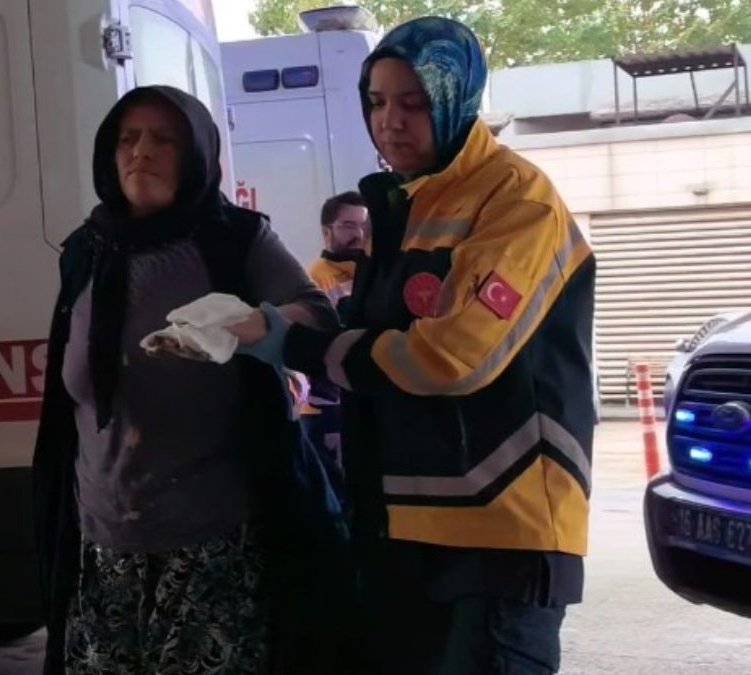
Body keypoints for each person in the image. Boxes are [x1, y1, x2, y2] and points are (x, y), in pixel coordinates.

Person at [229, 17, 596, 675]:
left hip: (500, 526)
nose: (389, 122)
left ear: (456, 97)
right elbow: (376, 339)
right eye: (376, 101)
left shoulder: (518, 199)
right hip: (403, 521)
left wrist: (297, 346)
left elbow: (451, 357)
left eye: (414, 102)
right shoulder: (404, 205)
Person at [31, 84, 348, 675]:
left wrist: (255, 324)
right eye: (128, 139)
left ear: (197, 154)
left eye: (164, 139)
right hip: (102, 548)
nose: (141, 151)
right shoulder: (85, 251)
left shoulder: (234, 239)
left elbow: (318, 315)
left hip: (211, 541)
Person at [297, 192, 370, 494]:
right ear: (327, 232)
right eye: (348, 226)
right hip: (329, 408)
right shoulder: (315, 280)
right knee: (341, 491)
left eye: (364, 226)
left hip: (365, 399)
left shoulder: (369, 273)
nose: (358, 234)